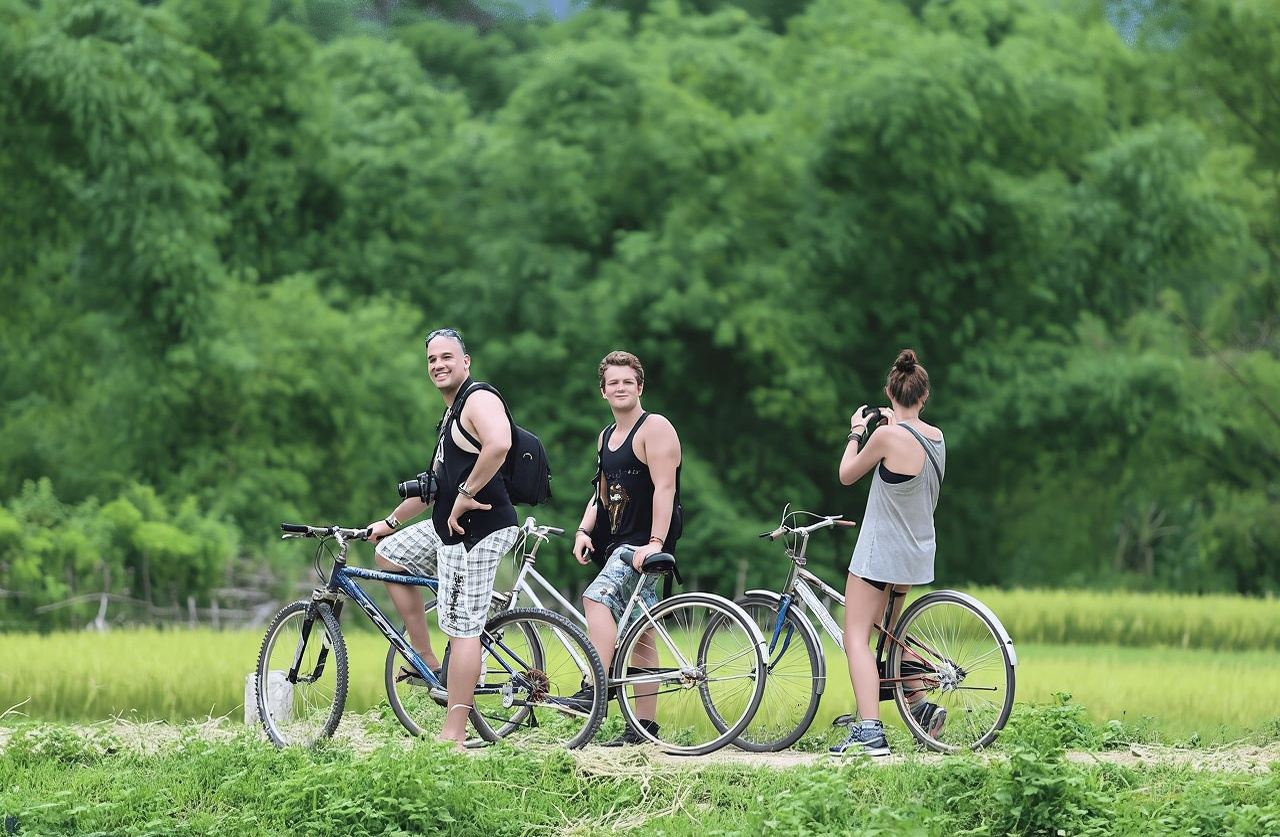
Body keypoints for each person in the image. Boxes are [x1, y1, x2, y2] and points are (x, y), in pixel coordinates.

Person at [364, 328, 519, 749]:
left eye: (447, 357)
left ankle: (453, 736)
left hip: (479, 531)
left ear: (466, 362)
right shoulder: (450, 415)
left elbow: (499, 443)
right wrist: (389, 523)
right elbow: (433, 486)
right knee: (390, 554)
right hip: (448, 530)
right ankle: (425, 660)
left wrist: (465, 496)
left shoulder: (478, 399)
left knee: (463, 627)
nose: (438, 365)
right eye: (432, 359)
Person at [831, 348, 947, 756]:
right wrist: (897, 422)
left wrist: (856, 430)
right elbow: (908, 455)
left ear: (888, 391)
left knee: (856, 638)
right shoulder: (936, 438)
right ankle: (920, 706)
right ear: (925, 394)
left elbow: (847, 475)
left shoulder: (884, 436)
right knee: (890, 634)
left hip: (879, 553)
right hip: (915, 555)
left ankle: (869, 730)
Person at [565, 350, 682, 744]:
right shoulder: (606, 437)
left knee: (596, 600)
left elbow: (665, 488)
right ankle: (643, 729)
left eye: (627, 382)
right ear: (603, 391)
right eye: (613, 382)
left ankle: (596, 686)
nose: (620, 388)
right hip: (616, 540)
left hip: (642, 544)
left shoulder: (656, 428)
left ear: (640, 387)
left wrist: (656, 543)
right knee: (640, 633)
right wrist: (584, 530)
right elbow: (600, 493)